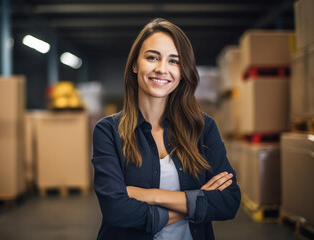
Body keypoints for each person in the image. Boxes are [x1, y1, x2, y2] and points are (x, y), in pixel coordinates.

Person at [91, 18, 241, 240]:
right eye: (152, 57)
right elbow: (117, 211)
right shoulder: (109, 131)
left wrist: (149, 195)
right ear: (135, 64)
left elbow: (228, 202)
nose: (162, 69)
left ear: (183, 71)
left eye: (174, 61)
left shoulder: (203, 127)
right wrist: (198, 202)